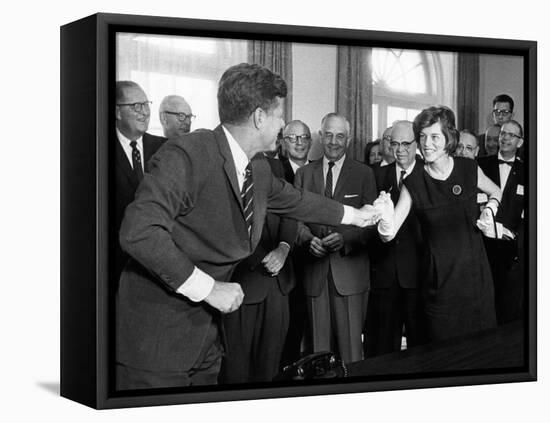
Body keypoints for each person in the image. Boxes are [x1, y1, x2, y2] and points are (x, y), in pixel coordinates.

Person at [116, 63, 376, 389]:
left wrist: (358, 215)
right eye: (280, 115)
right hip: (156, 338)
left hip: (207, 335)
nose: (283, 123)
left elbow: (297, 200)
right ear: (258, 117)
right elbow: (139, 232)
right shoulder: (186, 154)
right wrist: (209, 289)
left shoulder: (259, 166)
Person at [374, 106, 502, 342]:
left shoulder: (468, 168)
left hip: (476, 282)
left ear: (449, 139)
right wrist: (384, 217)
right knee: (445, 356)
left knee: (483, 353)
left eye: (434, 136)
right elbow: (389, 233)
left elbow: (496, 191)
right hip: (439, 287)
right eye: (422, 136)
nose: (426, 143)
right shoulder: (413, 182)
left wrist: (490, 211)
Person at [294, 113, 377, 363]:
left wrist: (346, 239)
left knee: (351, 353)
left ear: (348, 139)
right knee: (316, 354)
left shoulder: (364, 174)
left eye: (339, 136)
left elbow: (372, 222)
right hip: (314, 273)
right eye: (328, 135)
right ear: (321, 136)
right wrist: (308, 239)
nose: (333, 141)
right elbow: (293, 219)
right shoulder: (304, 174)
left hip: (350, 273)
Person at [220, 155, 298, 384]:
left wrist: (283, 248)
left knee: (270, 366)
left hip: (279, 285)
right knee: (237, 369)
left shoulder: (273, 165)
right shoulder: (224, 161)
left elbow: (290, 211)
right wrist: (263, 257)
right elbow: (225, 222)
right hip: (243, 284)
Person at [366, 121, 427, 356]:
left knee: (420, 348)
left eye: (405, 144)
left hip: (419, 276)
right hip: (384, 275)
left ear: (417, 145)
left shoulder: (429, 173)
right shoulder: (376, 175)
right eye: (394, 144)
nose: (399, 150)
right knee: (381, 347)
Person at [113, 81, 166, 279]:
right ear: (117, 112)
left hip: (157, 260)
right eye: (137, 106)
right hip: (116, 261)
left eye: (146, 104)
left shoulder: (164, 148)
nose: (145, 112)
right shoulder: (98, 150)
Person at [477, 120, 525, 324]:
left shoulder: (529, 170)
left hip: (511, 249)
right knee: (482, 301)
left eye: (511, 135)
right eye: (503, 133)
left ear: (520, 142)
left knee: (508, 306)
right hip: (482, 244)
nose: (505, 138)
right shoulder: (481, 164)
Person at [278, 120, 313, 366]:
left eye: (304, 138)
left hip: (318, 260)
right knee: (287, 326)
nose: (299, 143)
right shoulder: (273, 170)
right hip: (286, 262)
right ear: (282, 141)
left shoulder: (319, 171)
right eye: (293, 138)